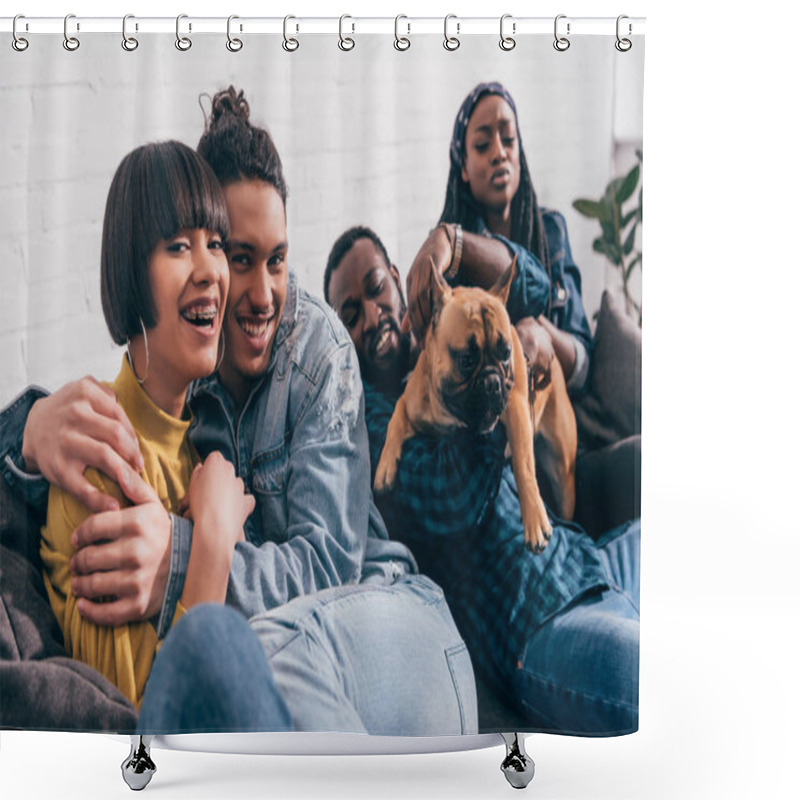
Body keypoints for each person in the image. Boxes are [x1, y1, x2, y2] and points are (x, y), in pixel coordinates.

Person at [0, 88, 476, 736]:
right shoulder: (180, 379)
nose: (257, 293)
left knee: (262, 649)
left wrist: (186, 554)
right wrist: (24, 426)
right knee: (251, 655)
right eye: (236, 254)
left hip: (395, 632)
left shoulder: (317, 351)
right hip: (300, 672)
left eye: (276, 260)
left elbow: (329, 570)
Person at [325, 224, 639, 734]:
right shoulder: (373, 422)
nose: (371, 314)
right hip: (539, 629)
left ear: (400, 281)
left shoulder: (454, 317)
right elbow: (454, 493)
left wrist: (459, 244)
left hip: (589, 562)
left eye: (376, 286)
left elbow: (537, 286)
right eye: (350, 313)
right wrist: (504, 373)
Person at [40, 139, 292, 733]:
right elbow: (147, 728)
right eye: (179, 246)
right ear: (133, 270)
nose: (211, 270)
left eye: (214, 245)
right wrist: (212, 541)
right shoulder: (98, 456)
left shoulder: (200, 446)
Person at [404, 80, 639, 534]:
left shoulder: (550, 231)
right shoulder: (450, 268)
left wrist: (541, 336)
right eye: (482, 142)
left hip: (573, 449)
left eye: (508, 138)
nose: (499, 151)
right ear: (464, 167)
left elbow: (585, 362)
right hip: (496, 463)